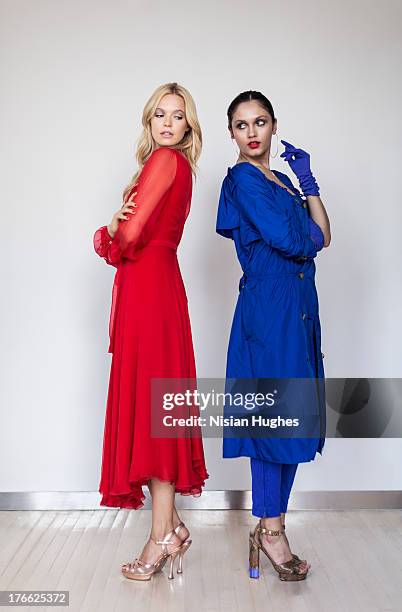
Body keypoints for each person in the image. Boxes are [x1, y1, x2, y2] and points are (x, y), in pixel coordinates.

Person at [93, 82, 209, 581]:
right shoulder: (178, 167)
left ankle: (161, 535)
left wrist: (109, 232)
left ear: (188, 126)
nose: (166, 123)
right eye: (159, 114)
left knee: (154, 411)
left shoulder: (165, 162)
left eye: (176, 116)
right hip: (160, 288)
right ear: (149, 121)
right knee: (158, 410)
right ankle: (172, 526)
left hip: (149, 290)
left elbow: (131, 234)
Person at [216, 90, 330, 581]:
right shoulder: (242, 179)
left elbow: (323, 233)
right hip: (267, 309)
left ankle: (271, 524)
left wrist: (308, 182)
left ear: (273, 125)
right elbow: (293, 241)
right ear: (232, 134)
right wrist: (308, 239)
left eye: (260, 122)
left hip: (299, 306)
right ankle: (271, 529)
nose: (253, 132)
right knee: (271, 421)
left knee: (296, 420)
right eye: (242, 125)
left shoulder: (282, 181)